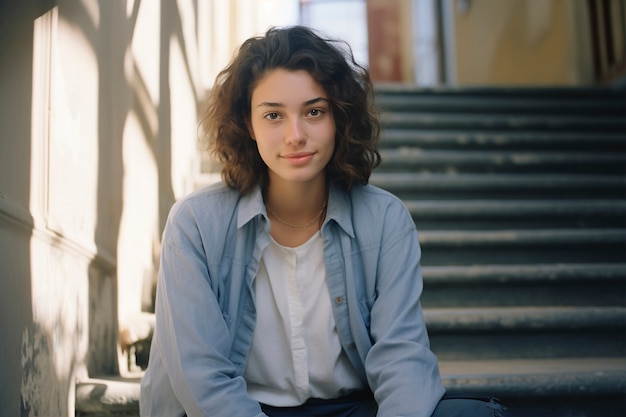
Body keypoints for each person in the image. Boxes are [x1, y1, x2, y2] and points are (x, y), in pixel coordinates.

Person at [139, 25, 512, 417]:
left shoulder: (384, 220)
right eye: (273, 116)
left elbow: (402, 360)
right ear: (249, 125)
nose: (295, 135)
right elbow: (203, 379)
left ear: (338, 117)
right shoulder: (195, 224)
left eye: (314, 111)